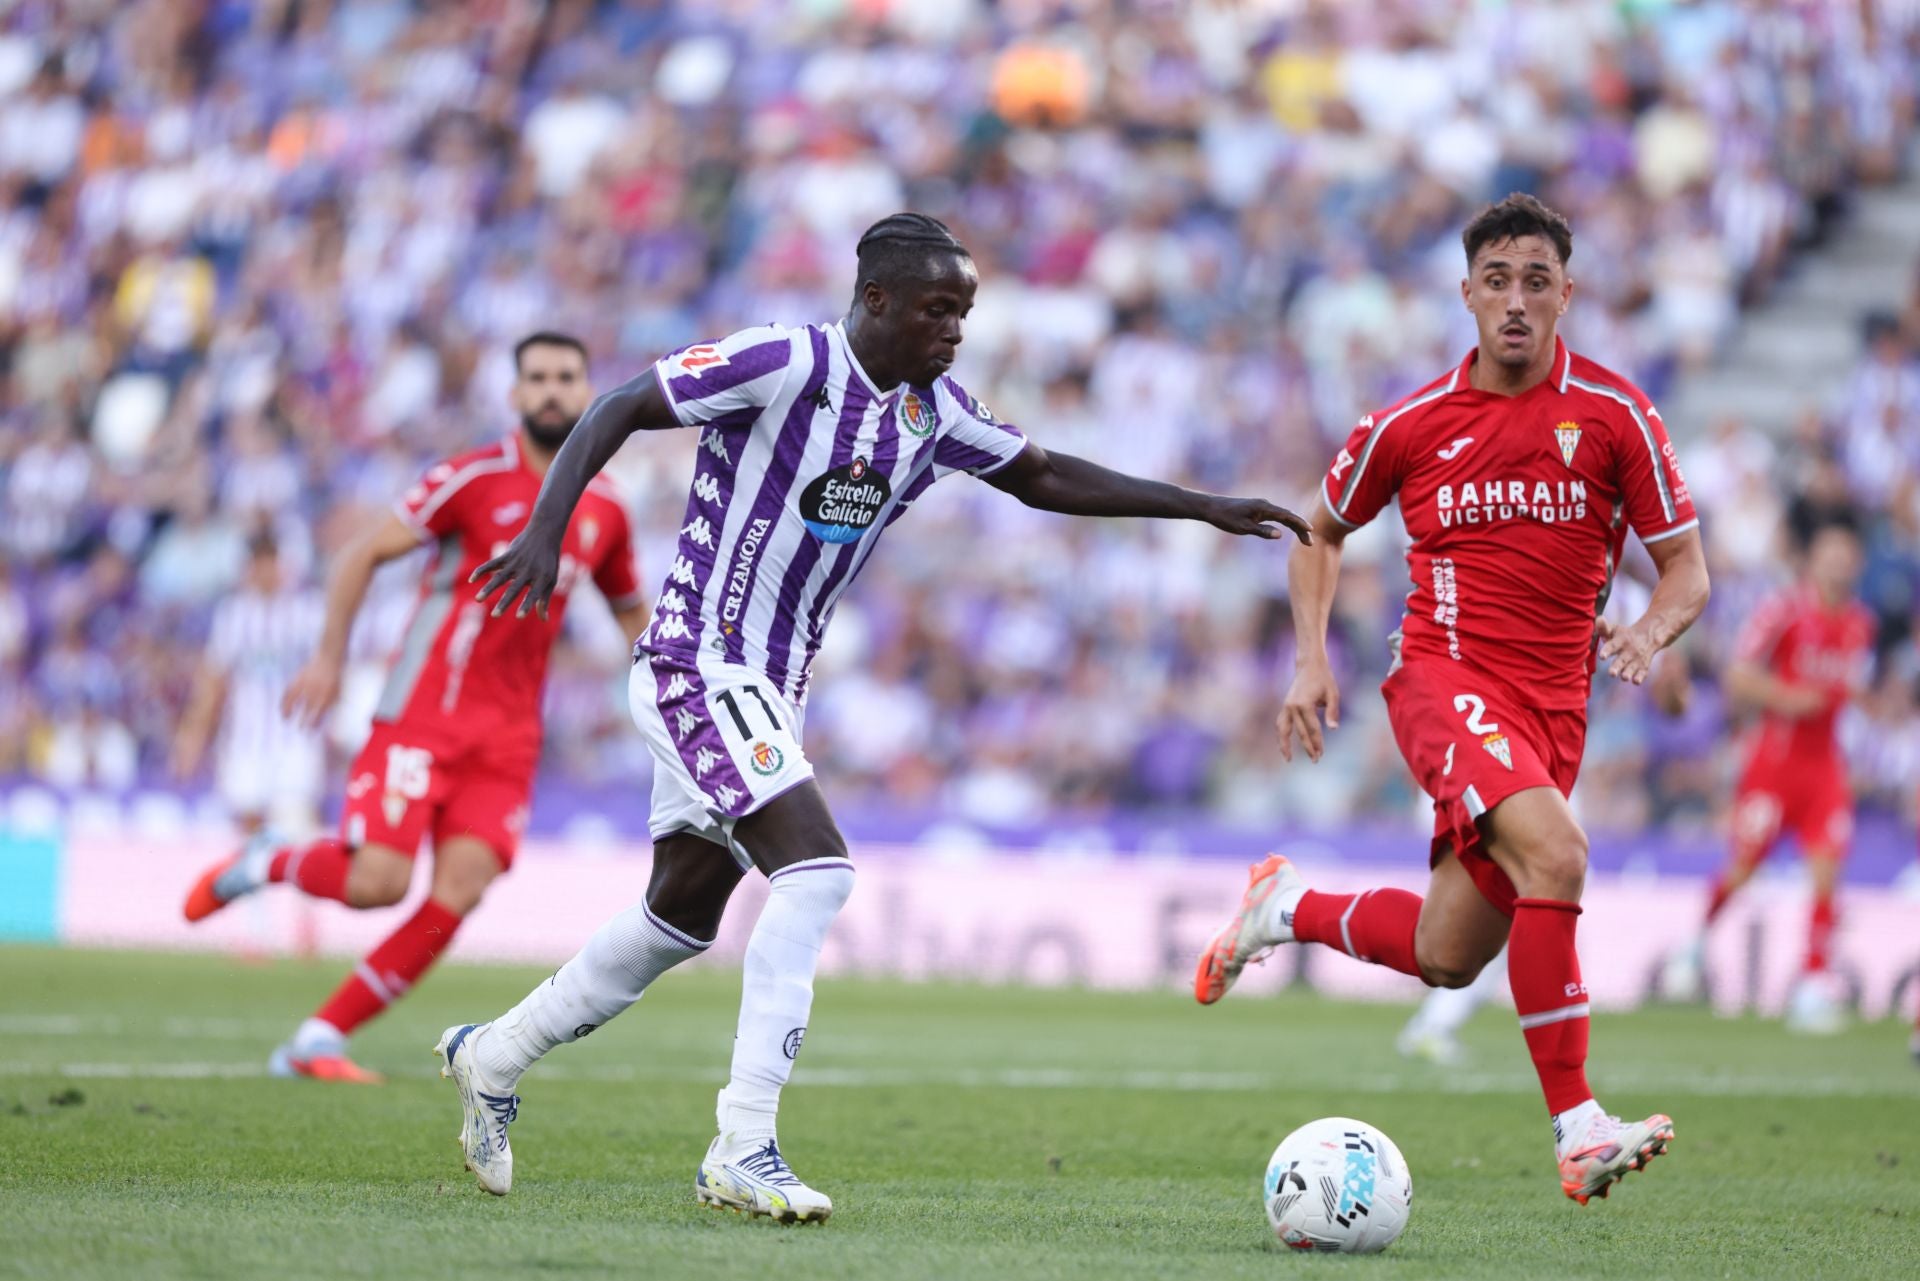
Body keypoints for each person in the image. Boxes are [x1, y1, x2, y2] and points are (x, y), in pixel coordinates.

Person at [434, 212, 1310, 1218]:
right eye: (940, 309)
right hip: (696, 661)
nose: (955, 330)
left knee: (677, 917)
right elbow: (622, 406)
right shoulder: (781, 361)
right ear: (878, 301)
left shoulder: (930, 413)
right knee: (817, 873)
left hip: (769, 687)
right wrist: (549, 532)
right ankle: (743, 1143)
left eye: (966, 312)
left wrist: (1202, 507)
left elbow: (1045, 475)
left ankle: (492, 1057)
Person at [1192, 193, 1711, 1206]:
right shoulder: (1409, 424)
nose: (1516, 301)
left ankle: (1282, 907)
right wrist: (1309, 660)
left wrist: (1649, 632)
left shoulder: (1616, 415)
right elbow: (1318, 531)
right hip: (1444, 681)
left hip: (1554, 713)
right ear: (1466, 293)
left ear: (1569, 293)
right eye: (1497, 281)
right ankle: (1579, 1127)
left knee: (1448, 955)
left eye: (1538, 282)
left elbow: (1686, 568)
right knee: (1560, 853)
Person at [181, 332, 647, 1082]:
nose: (554, 390)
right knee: (379, 883)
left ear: (589, 391)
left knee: (457, 892)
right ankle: (265, 860)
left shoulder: (607, 510)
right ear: (516, 395)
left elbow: (630, 610)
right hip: (425, 713)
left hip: (509, 737)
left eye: (568, 376)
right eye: (539, 378)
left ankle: (317, 1039)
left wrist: (666, 691)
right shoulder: (471, 478)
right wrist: (330, 657)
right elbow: (360, 552)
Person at [1661, 518, 1873, 1033]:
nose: (1839, 562)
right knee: (1746, 864)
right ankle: (1693, 946)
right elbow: (1737, 673)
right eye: (1831, 552)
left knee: (1827, 873)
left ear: (1857, 564)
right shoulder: (1784, 611)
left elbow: (1851, 691)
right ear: (1814, 558)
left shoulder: (1860, 624)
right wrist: (1786, 697)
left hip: (1825, 768)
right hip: (1774, 765)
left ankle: (1812, 984)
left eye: (1847, 554)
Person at [171, 530, 328, 843]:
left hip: (296, 736)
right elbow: (214, 681)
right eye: (258, 563)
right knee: (248, 822)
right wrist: (194, 736)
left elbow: (327, 673)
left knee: (296, 821)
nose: (265, 570)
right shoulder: (234, 615)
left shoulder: (309, 611)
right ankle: (255, 887)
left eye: (271, 561)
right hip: (247, 736)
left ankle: (295, 889)